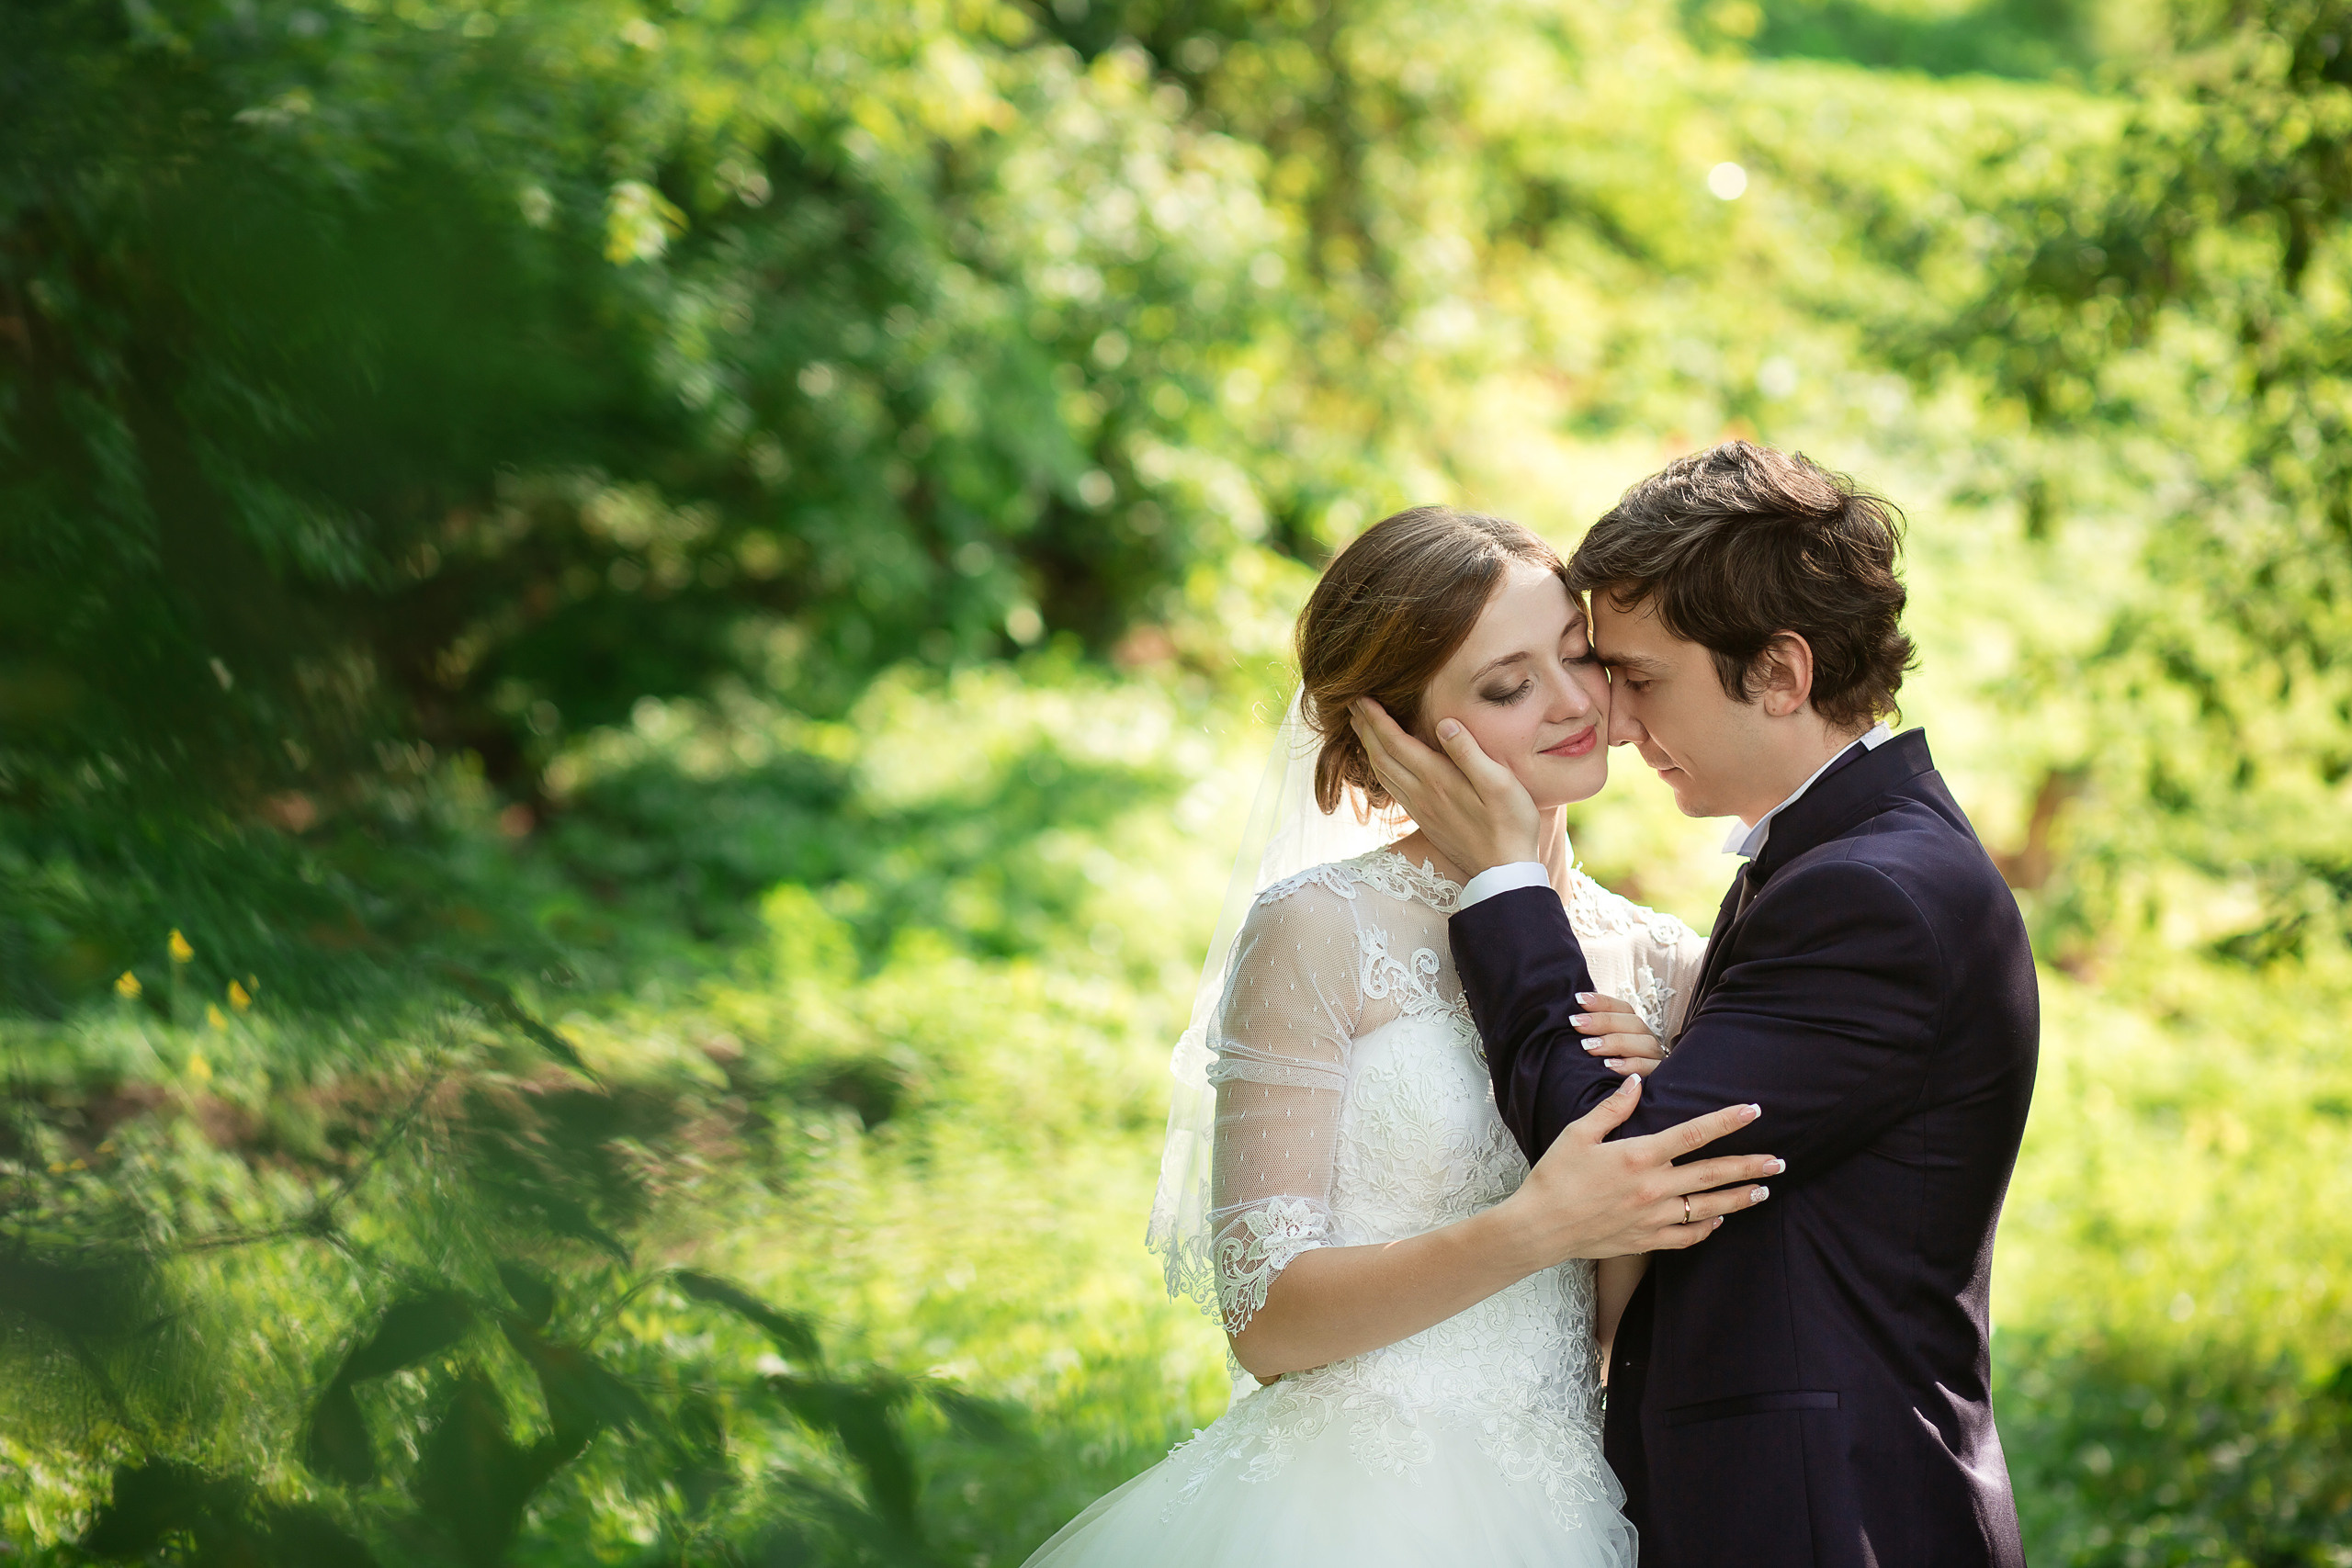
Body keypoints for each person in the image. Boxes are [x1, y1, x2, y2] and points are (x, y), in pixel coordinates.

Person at [1021, 505, 1781, 1568]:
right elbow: (1267, 1318)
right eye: (1507, 686)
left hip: (1569, 1496)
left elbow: (1624, 1329)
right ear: (1400, 730)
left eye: (1577, 656)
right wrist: (1536, 1225)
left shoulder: (1662, 963)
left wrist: (1655, 1127)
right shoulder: (1319, 928)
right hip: (1344, 1508)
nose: (1569, 703)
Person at [1352, 443, 2039, 1568]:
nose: (1613, 722)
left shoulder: (1870, 894)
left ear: (1777, 672)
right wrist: (1672, 1070)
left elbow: (1607, 1166)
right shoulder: (1836, 861)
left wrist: (1503, 880)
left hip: (1825, 1517)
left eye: (1639, 676)